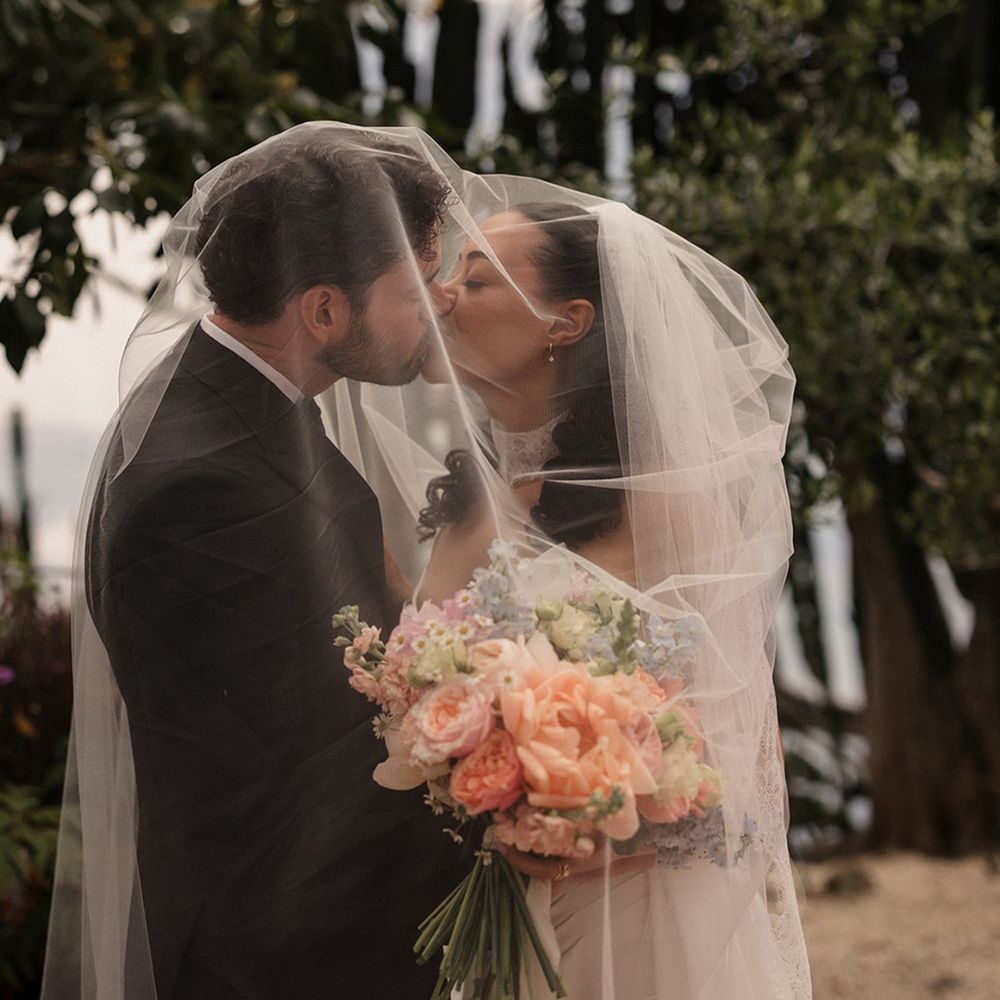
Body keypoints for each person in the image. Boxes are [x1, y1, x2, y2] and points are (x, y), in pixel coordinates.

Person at [328, 181, 812, 997]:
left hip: (637, 922)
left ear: (567, 322)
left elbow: (744, 773)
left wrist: (583, 821)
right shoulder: (462, 512)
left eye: (477, 280)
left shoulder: (664, 506)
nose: (441, 293)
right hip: (492, 916)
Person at [42, 124, 468, 1000]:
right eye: (418, 288)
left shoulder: (237, 399)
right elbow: (299, 768)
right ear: (323, 310)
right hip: (290, 959)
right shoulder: (200, 489)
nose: (443, 304)